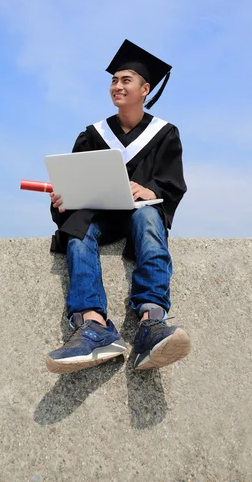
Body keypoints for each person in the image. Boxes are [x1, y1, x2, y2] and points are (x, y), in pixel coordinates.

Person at [47, 39, 190, 374]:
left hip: (140, 214)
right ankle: (93, 325)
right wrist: (64, 199)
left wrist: (148, 188)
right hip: (102, 215)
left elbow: (171, 183)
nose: (117, 86)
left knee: (149, 216)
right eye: (114, 80)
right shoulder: (93, 134)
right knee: (77, 227)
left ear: (145, 88)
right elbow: (77, 180)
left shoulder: (165, 134)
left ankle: (151, 323)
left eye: (126, 80)